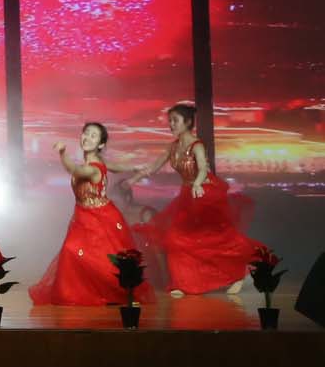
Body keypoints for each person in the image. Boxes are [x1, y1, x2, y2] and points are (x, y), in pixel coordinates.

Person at [129, 104, 258, 297]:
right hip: (188, 194)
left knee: (213, 238)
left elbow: (203, 168)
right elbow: (152, 167)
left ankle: (238, 272)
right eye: (170, 121)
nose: (171, 124)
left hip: (205, 193)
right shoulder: (172, 147)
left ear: (188, 122)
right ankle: (182, 282)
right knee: (175, 238)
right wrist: (133, 179)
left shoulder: (197, 145)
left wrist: (197, 183)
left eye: (175, 120)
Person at [29, 124, 155, 306]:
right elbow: (114, 166)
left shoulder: (93, 168)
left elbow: (76, 171)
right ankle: (79, 294)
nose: (87, 138)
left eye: (93, 136)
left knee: (98, 259)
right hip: (82, 216)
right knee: (73, 253)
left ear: (101, 144)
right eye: (86, 133)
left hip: (101, 218)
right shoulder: (97, 162)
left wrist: (63, 153)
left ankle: (120, 295)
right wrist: (133, 167)